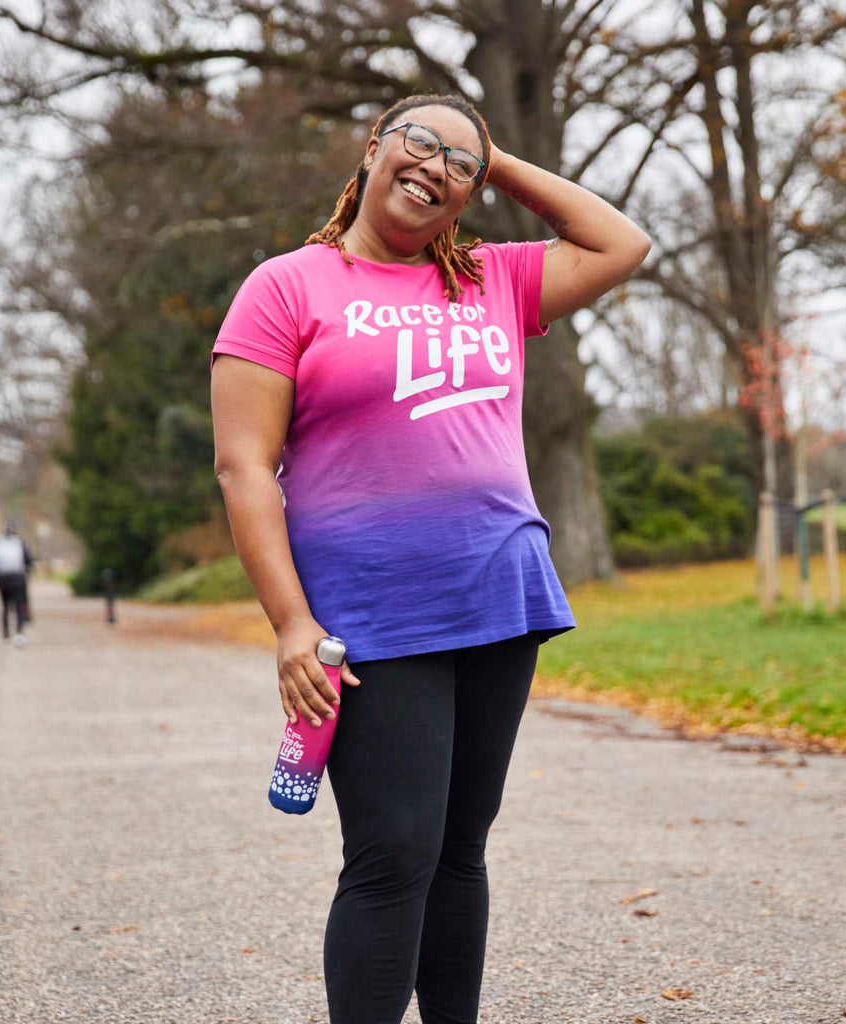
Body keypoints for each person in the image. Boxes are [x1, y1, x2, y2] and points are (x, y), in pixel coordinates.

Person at [211, 93, 651, 1024]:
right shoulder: (287, 286)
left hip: (499, 592)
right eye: (418, 142)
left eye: (459, 163)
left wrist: (494, 157)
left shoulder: (494, 278)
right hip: (369, 613)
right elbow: (244, 467)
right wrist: (292, 623)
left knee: (460, 850)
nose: (434, 166)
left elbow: (621, 245)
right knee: (393, 855)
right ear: (372, 151)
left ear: (473, 191)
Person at [0, 521, 33, 647]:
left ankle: (6, 633)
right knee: (19, 605)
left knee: (5, 606)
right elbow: (29, 561)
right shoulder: (19, 543)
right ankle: (19, 632)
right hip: (17, 579)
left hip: (2, 580)